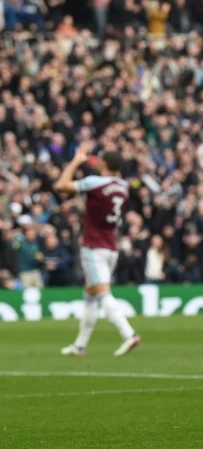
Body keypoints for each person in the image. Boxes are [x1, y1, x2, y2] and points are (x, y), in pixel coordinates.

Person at [54, 141, 141, 357]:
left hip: (93, 246)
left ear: (103, 163)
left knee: (102, 293)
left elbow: (61, 185)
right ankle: (80, 345)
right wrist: (92, 161)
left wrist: (76, 161)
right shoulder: (124, 186)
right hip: (111, 245)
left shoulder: (94, 182)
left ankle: (128, 333)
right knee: (90, 294)